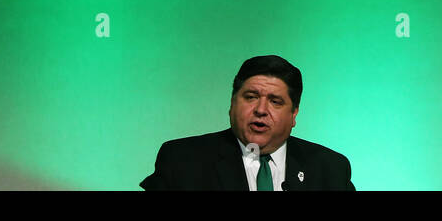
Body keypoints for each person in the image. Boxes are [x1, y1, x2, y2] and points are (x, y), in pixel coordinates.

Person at [140, 54, 354, 190]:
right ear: (232, 104)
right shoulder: (182, 161)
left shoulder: (330, 169)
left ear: (294, 114)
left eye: (275, 101)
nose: (261, 110)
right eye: (250, 97)